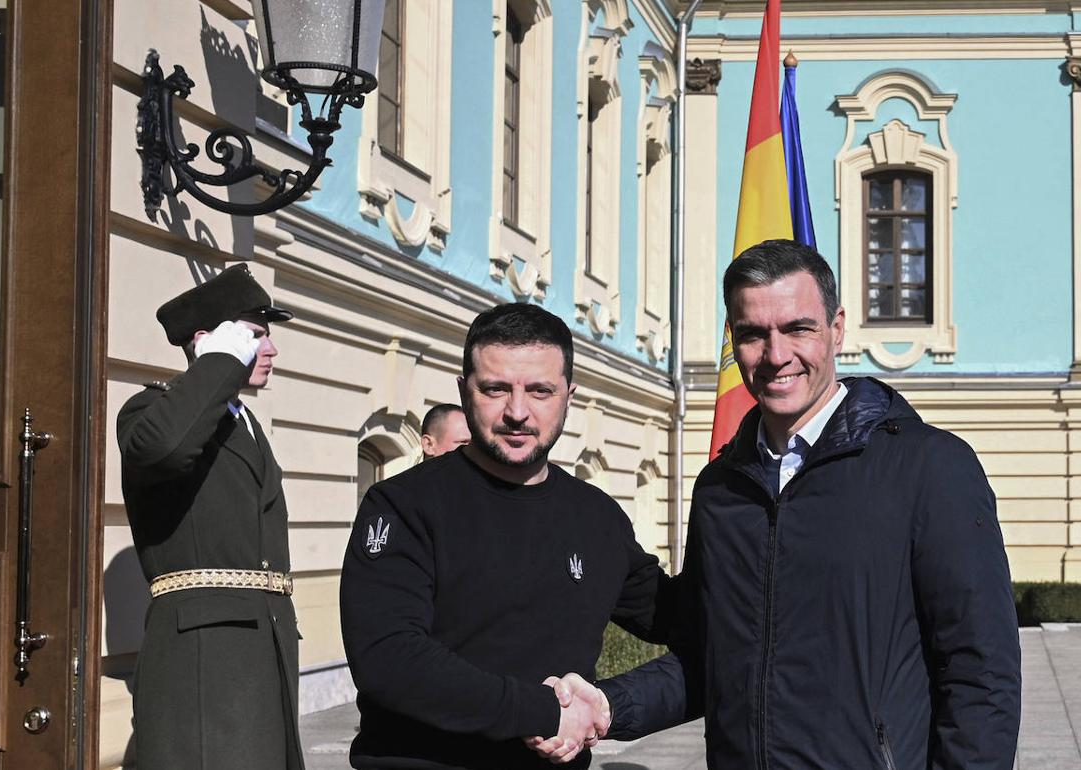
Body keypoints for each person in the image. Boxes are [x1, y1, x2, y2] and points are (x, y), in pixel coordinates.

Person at [538, 239, 1022, 768]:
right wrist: (608, 706)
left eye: (798, 329)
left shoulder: (929, 467)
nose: (776, 356)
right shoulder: (720, 489)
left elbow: (982, 674)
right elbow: (710, 661)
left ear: (837, 328)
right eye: (753, 334)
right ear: (733, 339)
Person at [340, 302, 670, 769]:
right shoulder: (403, 505)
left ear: (569, 396)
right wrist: (541, 712)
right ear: (464, 391)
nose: (517, 412)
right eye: (495, 389)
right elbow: (389, 659)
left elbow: (679, 616)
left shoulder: (597, 517)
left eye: (540, 391)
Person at [117, 263, 305, 770]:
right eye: (255, 336)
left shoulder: (242, 422)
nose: (270, 349)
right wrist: (217, 362)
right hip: (205, 649)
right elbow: (163, 451)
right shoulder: (150, 409)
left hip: (260, 642)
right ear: (207, 342)